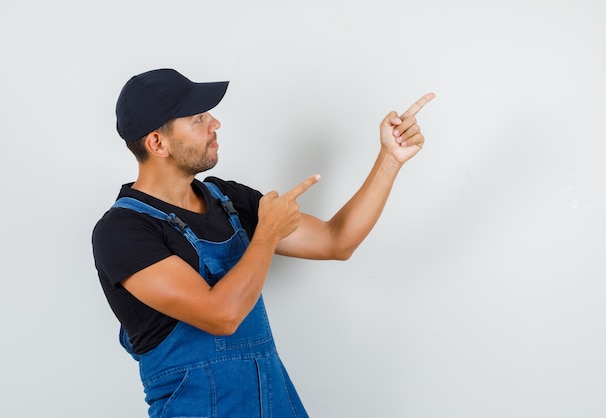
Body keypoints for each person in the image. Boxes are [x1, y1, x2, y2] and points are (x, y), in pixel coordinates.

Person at [92, 68, 434, 418]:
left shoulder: (228, 199)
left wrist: (390, 159)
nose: (215, 124)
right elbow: (221, 316)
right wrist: (267, 233)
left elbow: (337, 240)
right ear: (157, 143)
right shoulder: (123, 232)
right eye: (197, 119)